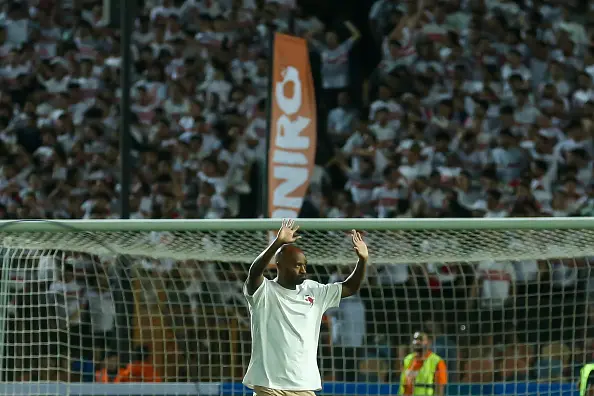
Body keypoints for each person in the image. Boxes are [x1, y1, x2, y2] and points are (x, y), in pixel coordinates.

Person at [243, 219, 369, 396]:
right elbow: (254, 272)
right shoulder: (264, 292)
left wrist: (362, 260)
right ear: (279, 265)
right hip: (269, 385)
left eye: (304, 265)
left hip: (303, 386)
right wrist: (277, 243)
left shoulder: (314, 290)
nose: (303, 270)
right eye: (297, 265)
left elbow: (350, 287)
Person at [398, 332, 447, 396]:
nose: (417, 342)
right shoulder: (407, 359)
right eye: (415, 339)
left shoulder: (437, 362)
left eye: (420, 339)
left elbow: (440, 390)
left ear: (429, 342)